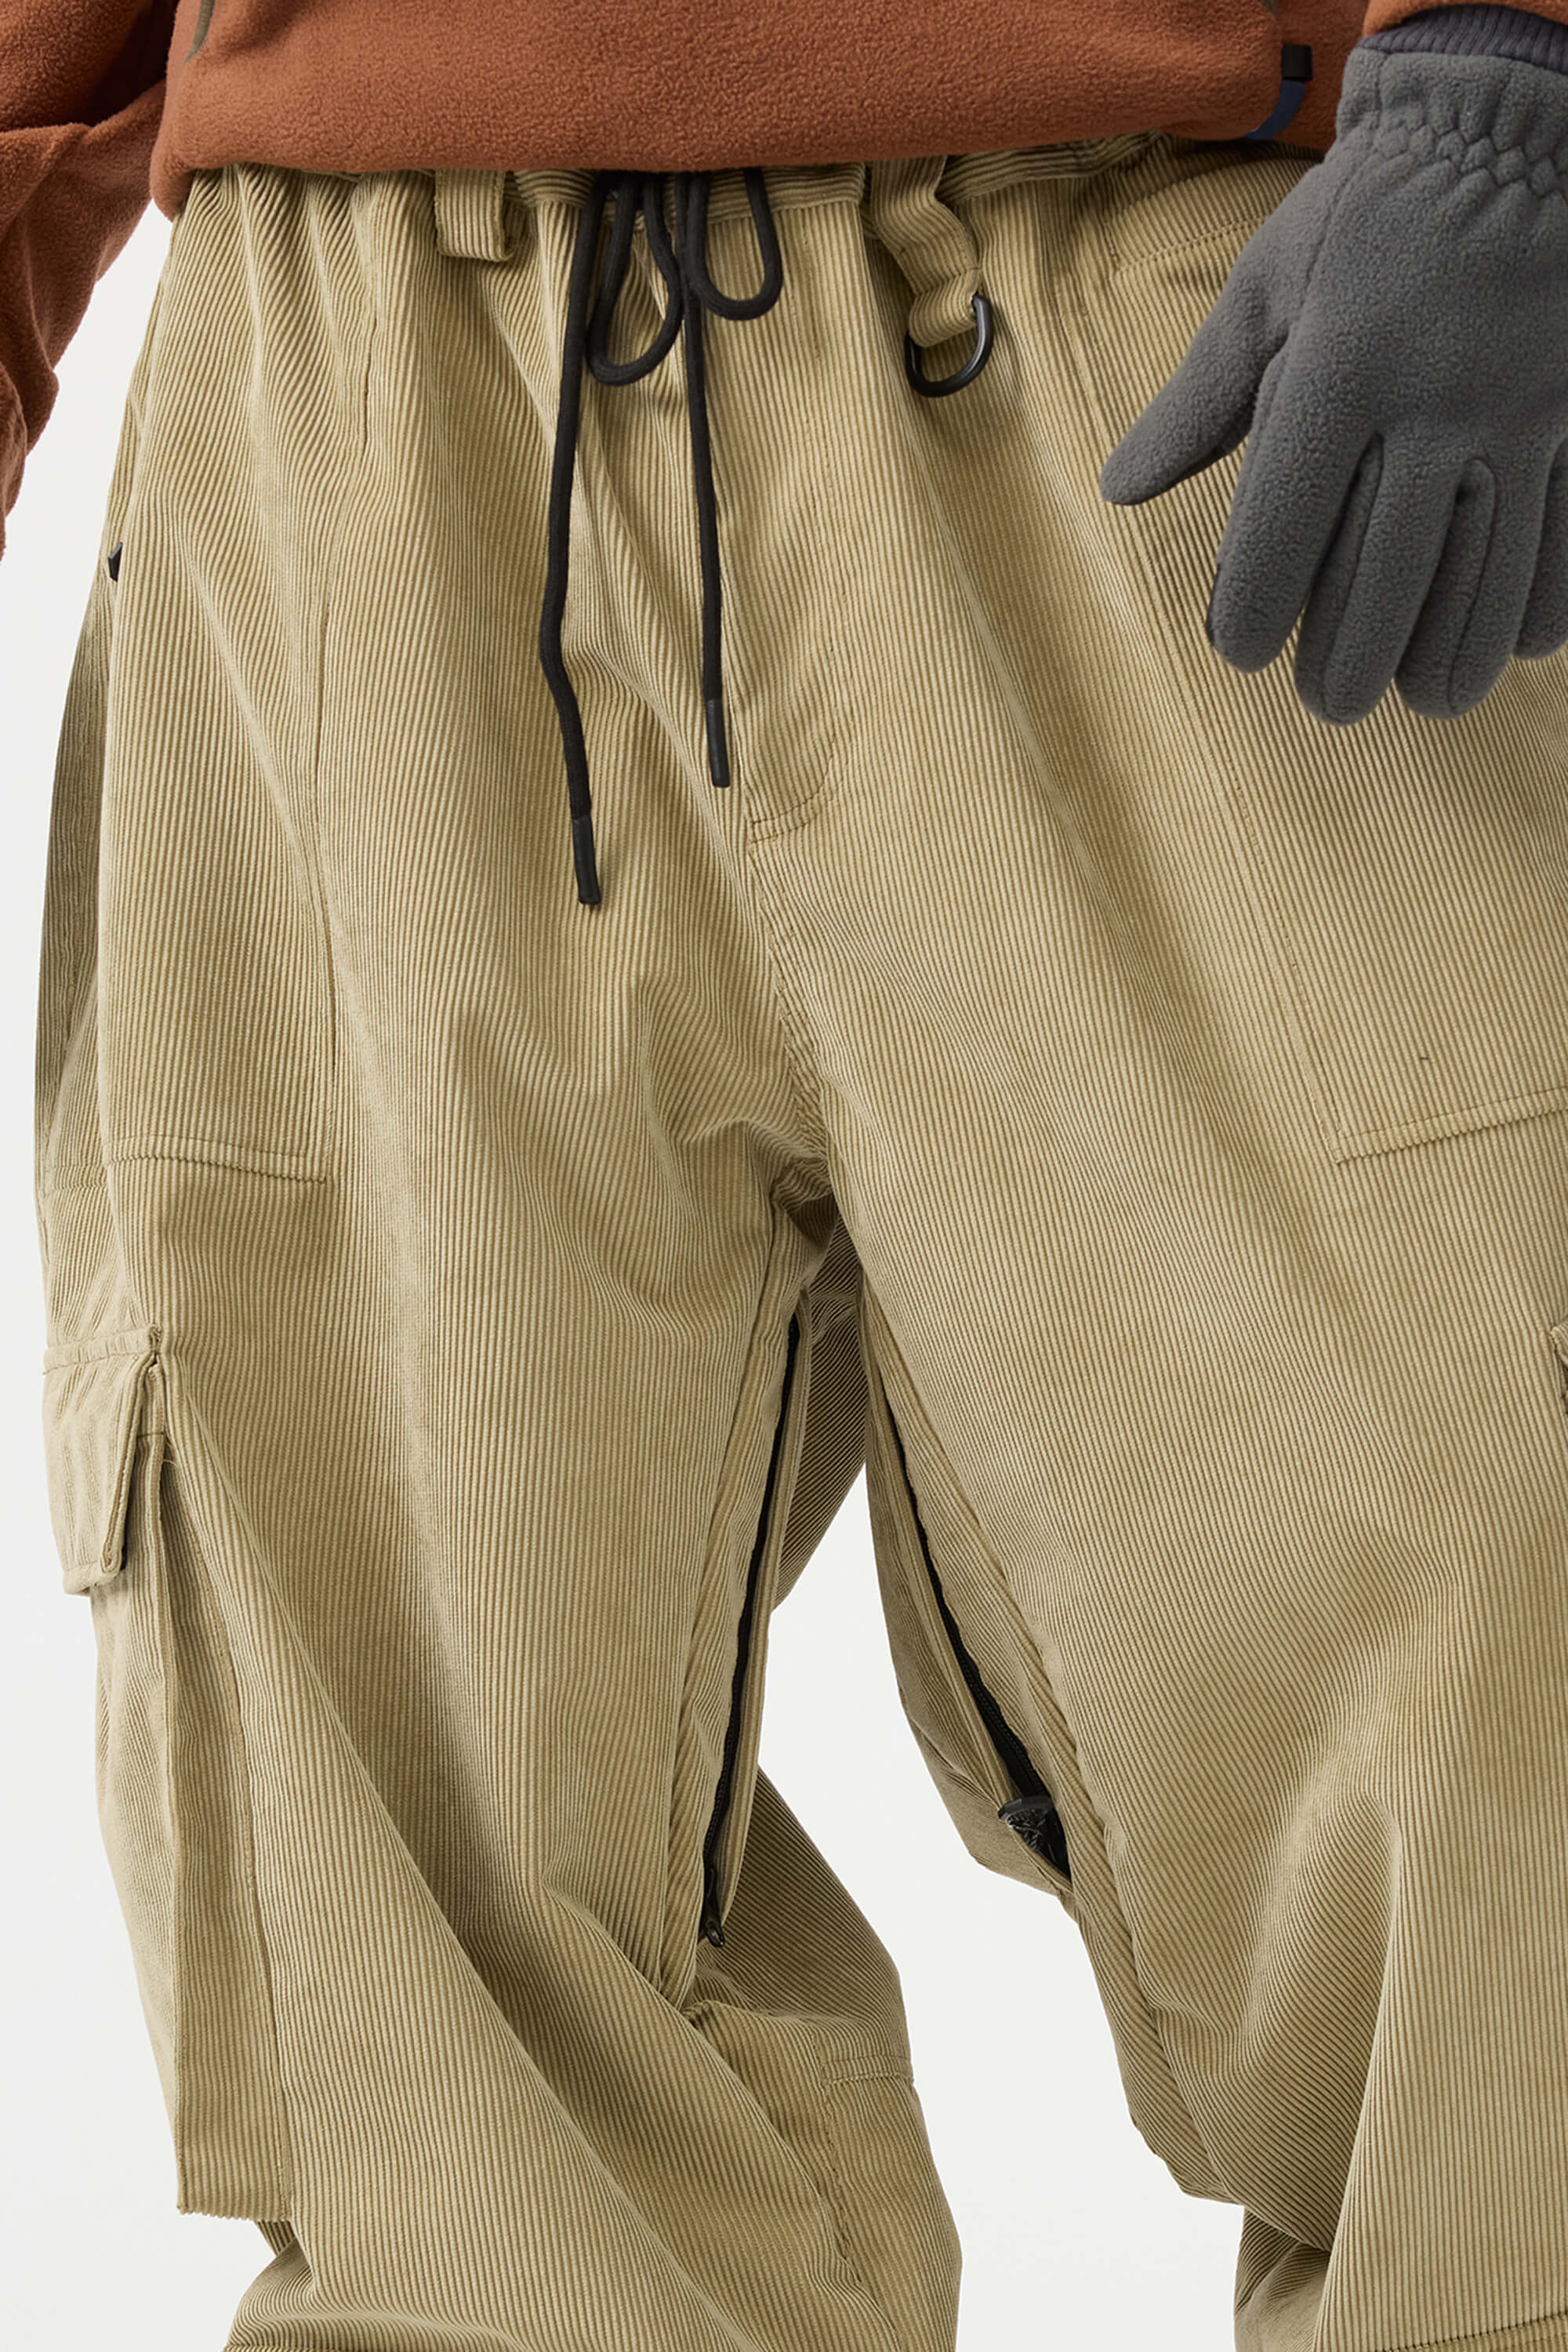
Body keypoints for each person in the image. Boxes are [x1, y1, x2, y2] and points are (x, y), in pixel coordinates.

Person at [9, 2, 1568, 2346]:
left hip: (1187, 323)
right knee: (432, 1973)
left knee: (1497, 1768)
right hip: (350, 402)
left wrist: (1518, 78)